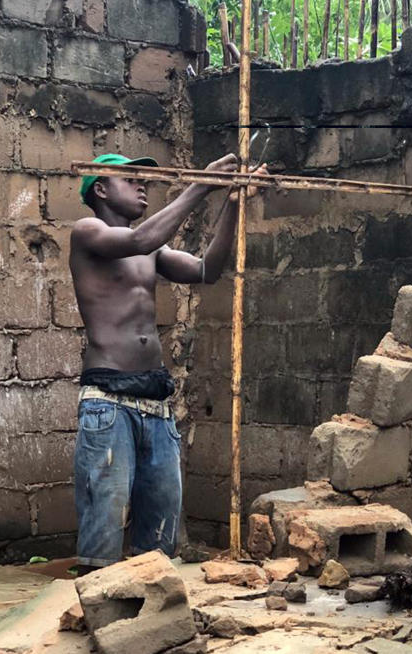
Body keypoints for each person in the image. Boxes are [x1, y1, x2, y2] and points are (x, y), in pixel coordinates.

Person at [69, 152, 265, 568]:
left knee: (159, 543)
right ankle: (97, 615)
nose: (143, 186)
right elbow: (139, 239)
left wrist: (232, 203)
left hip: (156, 405)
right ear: (100, 189)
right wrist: (201, 186)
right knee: (104, 528)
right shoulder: (88, 232)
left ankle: (151, 620)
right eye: (133, 179)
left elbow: (207, 270)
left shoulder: (153, 252)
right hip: (108, 401)